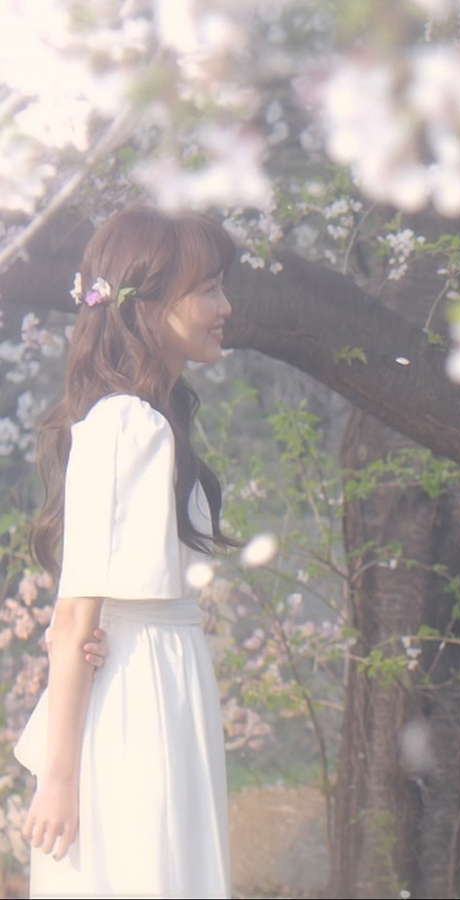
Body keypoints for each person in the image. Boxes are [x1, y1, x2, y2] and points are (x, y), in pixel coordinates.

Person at [15, 206, 238, 898]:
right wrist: (59, 778)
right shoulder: (122, 424)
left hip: (165, 680)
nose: (225, 307)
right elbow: (76, 615)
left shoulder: (158, 422)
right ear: (146, 306)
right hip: (136, 695)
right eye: (208, 290)